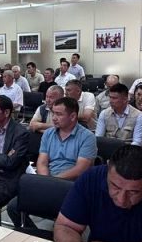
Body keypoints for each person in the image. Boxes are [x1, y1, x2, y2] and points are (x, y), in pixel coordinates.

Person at [7, 97, 97, 228]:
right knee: (13, 207)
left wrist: (54, 181)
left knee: (62, 219)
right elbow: (42, 162)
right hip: (48, 179)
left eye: (59, 114)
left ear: (73, 116)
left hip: (71, 186)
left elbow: (80, 169)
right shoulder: (48, 134)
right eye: (53, 113)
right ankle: (33, 233)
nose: (54, 118)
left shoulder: (87, 137)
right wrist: (46, 181)